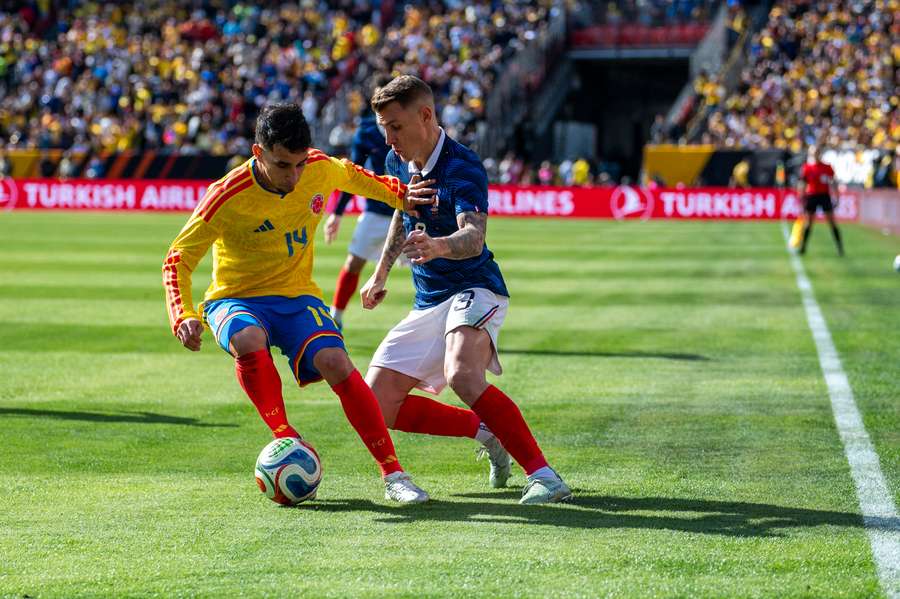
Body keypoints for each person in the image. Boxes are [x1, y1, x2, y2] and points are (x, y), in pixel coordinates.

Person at [162, 103, 438, 504]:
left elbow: (357, 178)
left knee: (337, 362)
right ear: (259, 154)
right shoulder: (224, 195)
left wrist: (402, 194)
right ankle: (285, 437)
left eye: (300, 164)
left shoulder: (318, 168)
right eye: (283, 165)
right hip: (234, 298)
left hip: (296, 295)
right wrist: (182, 315)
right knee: (247, 335)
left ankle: (394, 474)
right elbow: (178, 258)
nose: (295, 176)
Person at [359, 75, 571, 505]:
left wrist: (437, 246)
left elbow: (473, 237)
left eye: (395, 126)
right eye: (384, 126)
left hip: (475, 287)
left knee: (462, 373)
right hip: (429, 299)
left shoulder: (462, 165)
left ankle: (546, 477)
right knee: (377, 403)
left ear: (425, 115)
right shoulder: (396, 161)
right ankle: (486, 433)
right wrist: (380, 274)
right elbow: (403, 215)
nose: (389, 137)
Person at [323, 75, 399, 330]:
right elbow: (351, 173)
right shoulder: (366, 131)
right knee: (354, 262)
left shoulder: (409, 124)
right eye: (379, 97)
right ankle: (337, 316)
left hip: (410, 209)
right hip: (378, 210)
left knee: (433, 261)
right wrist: (337, 213)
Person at [797, 145, 843, 256]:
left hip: (824, 196)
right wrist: (801, 196)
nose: (815, 154)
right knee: (808, 223)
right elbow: (802, 183)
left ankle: (839, 247)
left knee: (831, 222)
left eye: (817, 152)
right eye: (813, 152)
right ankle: (803, 247)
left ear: (820, 153)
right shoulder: (807, 167)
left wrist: (837, 197)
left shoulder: (827, 167)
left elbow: (833, 182)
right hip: (812, 196)